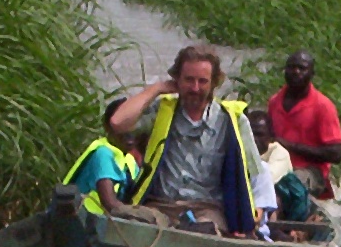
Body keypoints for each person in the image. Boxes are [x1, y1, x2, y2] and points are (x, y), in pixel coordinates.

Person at [110, 45, 264, 235]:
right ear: (177, 80)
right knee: (129, 219)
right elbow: (118, 122)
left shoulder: (233, 121)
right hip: (161, 206)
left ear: (214, 83)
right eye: (189, 80)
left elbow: (257, 174)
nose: (195, 88)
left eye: (203, 81)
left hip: (206, 210)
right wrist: (157, 89)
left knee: (204, 231)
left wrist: (255, 217)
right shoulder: (162, 110)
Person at [267, 50, 341, 199]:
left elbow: (335, 154)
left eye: (302, 68)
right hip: (278, 165)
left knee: (286, 186)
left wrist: (290, 146)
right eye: (291, 67)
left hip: (312, 172)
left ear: (312, 74)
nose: (296, 71)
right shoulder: (274, 102)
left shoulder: (323, 106)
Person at [63, 97, 139, 214]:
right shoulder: (103, 153)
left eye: (133, 124)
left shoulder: (130, 162)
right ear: (107, 126)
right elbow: (111, 205)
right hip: (80, 225)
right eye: (123, 124)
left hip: (100, 226)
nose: (129, 131)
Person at [248, 110, 310, 224]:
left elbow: (267, 181)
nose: (254, 139)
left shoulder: (279, 153)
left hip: (282, 206)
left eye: (260, 135)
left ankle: (271, 230)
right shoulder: (242, 152)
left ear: (271, 138)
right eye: (250, 134)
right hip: (252, 198)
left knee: (273, 195)